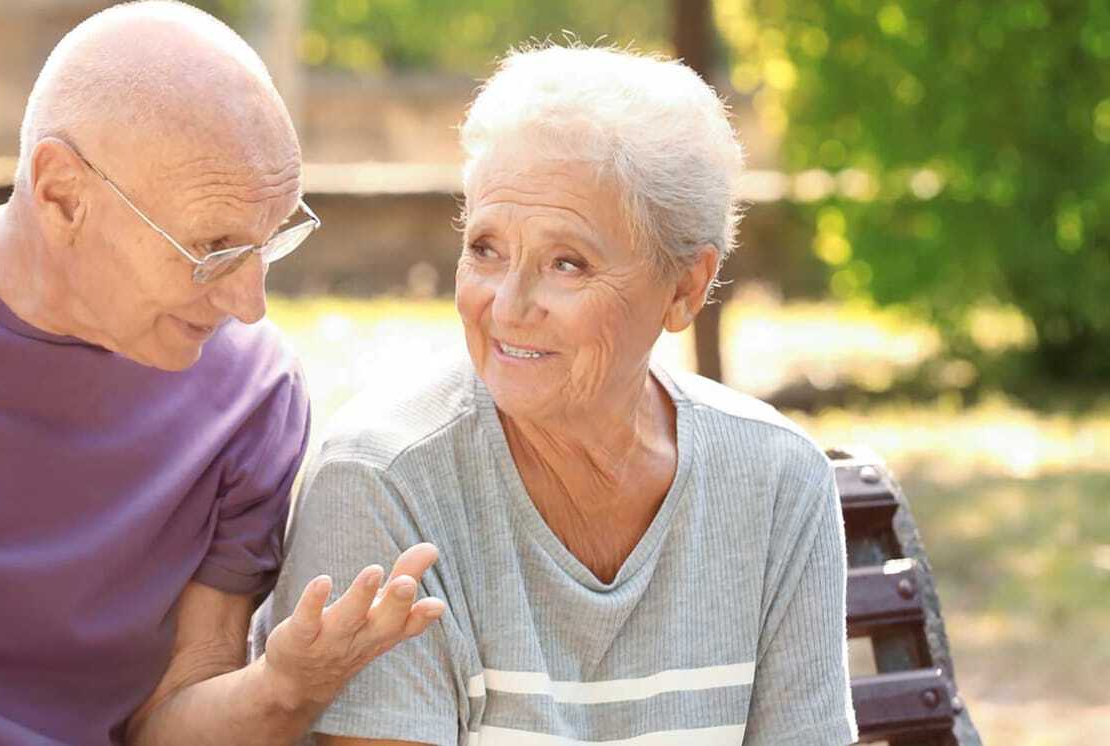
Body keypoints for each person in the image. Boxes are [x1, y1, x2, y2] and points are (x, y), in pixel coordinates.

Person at [0, 0, 446, 745]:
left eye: (272, 242)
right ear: (61, 193)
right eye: (215, 248)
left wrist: (284, 686)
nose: (250, 303)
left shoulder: (250, 396)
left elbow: (169, 721)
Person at [260, 45, 857, 745]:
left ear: (686, 287)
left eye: (566, 263)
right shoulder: (384, 483)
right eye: (485, 249)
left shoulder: (777, 481)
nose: (508, 306)